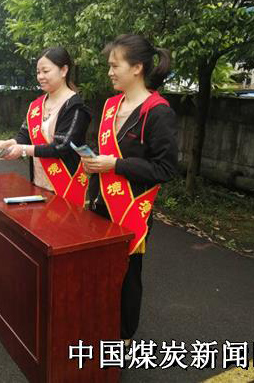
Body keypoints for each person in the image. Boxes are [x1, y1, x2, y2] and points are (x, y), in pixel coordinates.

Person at [82, 34, 178, 358]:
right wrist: (92, 162)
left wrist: (116, 165)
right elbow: (104, 151)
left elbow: (165, 168)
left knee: (127, 276)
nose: (109, 72)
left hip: (131, 210)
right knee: (96, 271)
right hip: (100, 203)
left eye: (115, 65)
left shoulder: (158, 112)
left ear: (137, 67)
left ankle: (123, 337)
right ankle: (97, 321)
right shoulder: (111, 105)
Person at [0, 47, 91, 206]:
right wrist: (8, 143)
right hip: (39, 184)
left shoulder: (75, 107)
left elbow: (61, 147)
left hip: (66, 186)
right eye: (38, 72)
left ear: (64, 70)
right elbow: (25, 136)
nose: (40, 76)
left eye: (46, 71)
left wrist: (23, 149)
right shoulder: (36, 106)